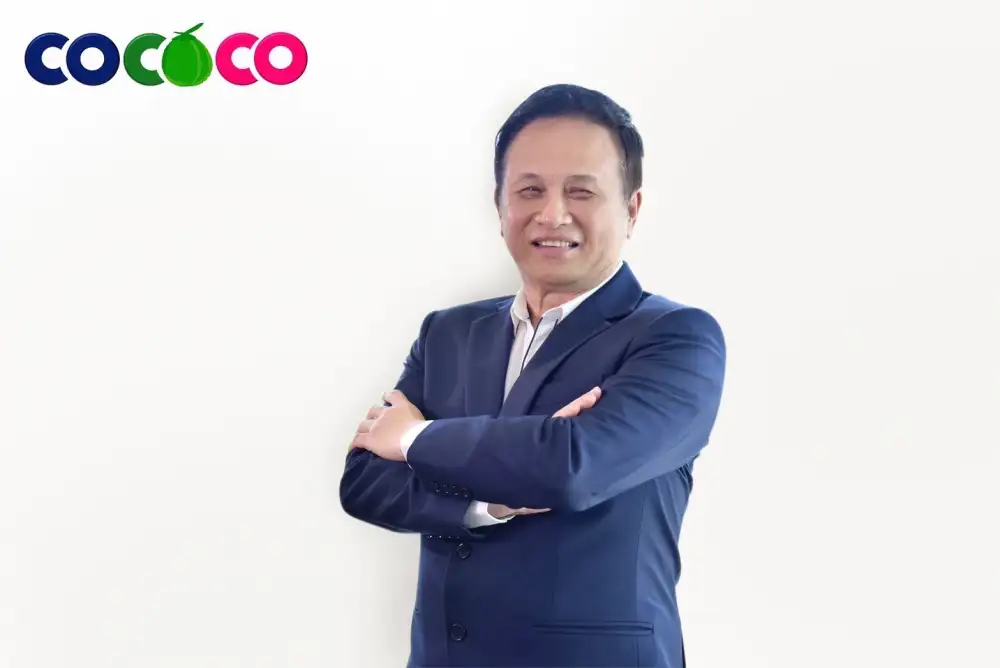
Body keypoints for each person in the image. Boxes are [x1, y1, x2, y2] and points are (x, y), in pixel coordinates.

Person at [340, 83, 727, 668]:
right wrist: (489, 501)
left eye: (581, 191)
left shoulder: (676, 339)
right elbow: (366, 482)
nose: (552, 213)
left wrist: (414, 438)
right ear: (499, 207)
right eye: (529, 190)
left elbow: (571, 467)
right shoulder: (448, 332)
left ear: (632, 209)